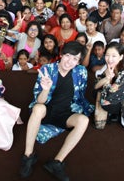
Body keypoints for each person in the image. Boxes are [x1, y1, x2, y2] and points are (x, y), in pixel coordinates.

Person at [20, 41, 93, 180]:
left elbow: (80, 97)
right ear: (61, 54)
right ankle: (28, 156)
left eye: (75, 59)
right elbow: (39, 101)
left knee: (83, 120)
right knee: (38, 108)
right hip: (47, 110)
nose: (69, 61)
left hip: (65, 113)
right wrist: (45, 89)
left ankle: (56, 162)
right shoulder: (48, 69)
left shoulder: (81, 72)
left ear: (78, 62)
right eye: (68, 56)